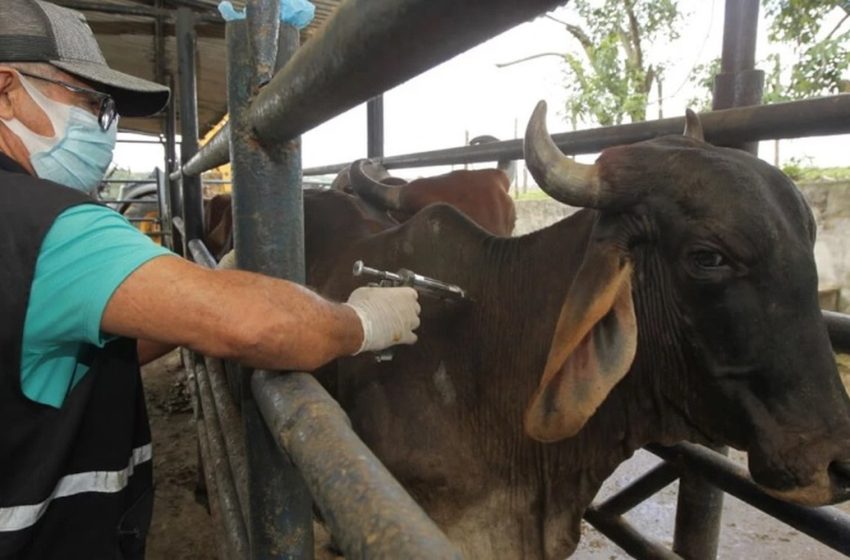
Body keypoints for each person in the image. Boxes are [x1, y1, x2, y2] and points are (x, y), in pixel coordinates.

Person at [0, 1, 421, 558]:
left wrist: (192, 302)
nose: (105, 123)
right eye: (92, 102)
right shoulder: (49, 226)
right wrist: (363, 320)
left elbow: (49, 356)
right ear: (6, 87)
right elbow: (258, 327)